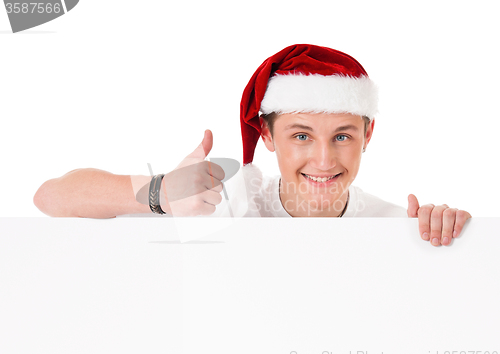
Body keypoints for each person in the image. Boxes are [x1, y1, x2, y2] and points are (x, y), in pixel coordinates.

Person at [33, 44, 471, 246]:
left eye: (342, 136)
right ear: (266, 135)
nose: (324, 159)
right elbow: (51, 196)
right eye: (301, 135)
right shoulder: (224, 202)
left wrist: (451, 232)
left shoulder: (394, 227)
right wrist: (162, 193)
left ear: (368, 135)